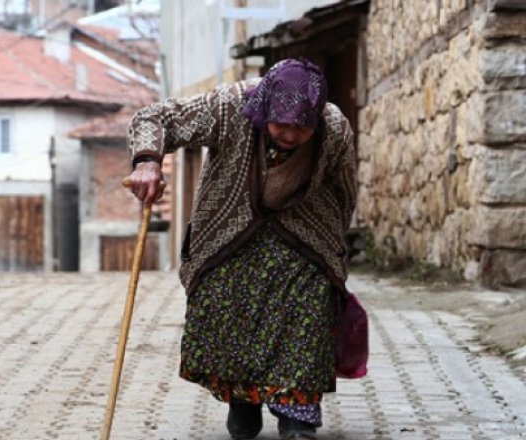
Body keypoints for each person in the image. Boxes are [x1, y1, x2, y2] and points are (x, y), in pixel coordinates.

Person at [125, 58, 357, 440]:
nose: (289, 134)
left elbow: (344, 188)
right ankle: (243, 399)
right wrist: (148, 162)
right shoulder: (229, 107)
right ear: (264, 106)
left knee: (307, 314)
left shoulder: (333, 128)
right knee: (227, 308)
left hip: (304, 234)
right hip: (227, 231)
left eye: (302, 127)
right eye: (280, 123)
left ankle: (297, 417)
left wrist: (334, 250)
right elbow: (155, 117)